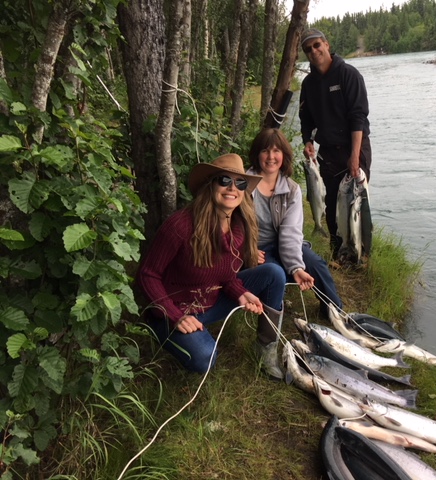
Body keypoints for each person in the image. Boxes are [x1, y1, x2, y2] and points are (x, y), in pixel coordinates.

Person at [137, 154, 287, 378]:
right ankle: (169, 334)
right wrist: (175, 315)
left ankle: (266, 348)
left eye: (240, 183)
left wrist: (240, 292)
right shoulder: (181, 225)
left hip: (211, 302)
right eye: (224, 180)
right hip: (173, 311)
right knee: (206, 358)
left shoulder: (239, 227)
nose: (232, 188)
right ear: (210, 185)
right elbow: (147, 275)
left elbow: (225, 276)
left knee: (274, 273)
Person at [247, 128, 343, 318]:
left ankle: (335, 313)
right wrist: (244, 248)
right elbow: (229, 223)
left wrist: (296, 267)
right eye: (265, 151)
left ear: (284, 155)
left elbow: (290, 233)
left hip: (285, 243)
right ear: (257, 154)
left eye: (276, 151)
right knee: (275, 273)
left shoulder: (292, 189)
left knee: (316, 264)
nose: (271, 157)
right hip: (256, 248)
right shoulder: (243, 183)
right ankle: (270, 326)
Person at [298, 28, 373, 261]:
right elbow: (306, 119)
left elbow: (358, 116)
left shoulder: (348, 74)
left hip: (355, 146)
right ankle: (339, 254)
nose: (314, 51)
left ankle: (362, 255)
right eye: (308, 49)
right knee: (332, 204)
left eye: (317, 45)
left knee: (356, 204)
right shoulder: (308, 84)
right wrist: (308, 141)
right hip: (328, 152)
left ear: (327, 45)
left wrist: (355, 155)